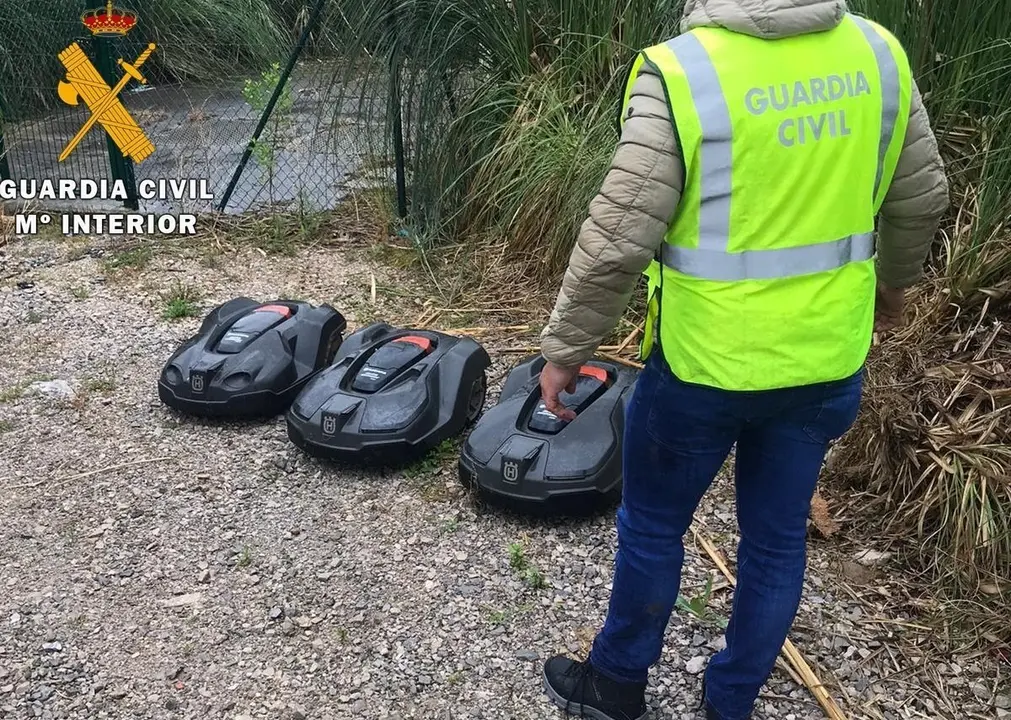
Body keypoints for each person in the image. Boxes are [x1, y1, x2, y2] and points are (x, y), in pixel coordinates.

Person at [536, 1, 949, 719]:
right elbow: (923, 196)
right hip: (824, 358)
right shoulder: (876, 53)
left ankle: (615, 686)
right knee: (776, 537)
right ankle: (729, 703)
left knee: (655, 525)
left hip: (706, 364)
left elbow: (617, 235)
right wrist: (893, 283)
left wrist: (567, 349)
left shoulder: (683, 69)